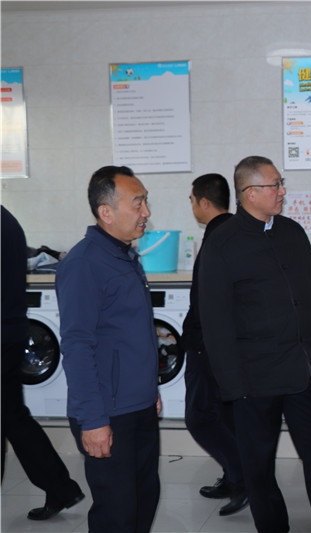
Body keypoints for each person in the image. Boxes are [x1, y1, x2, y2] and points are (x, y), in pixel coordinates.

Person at [198, 155, 311, 533]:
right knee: (259, 469)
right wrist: (232, 386)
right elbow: (215, 321)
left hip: (303, 371)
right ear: (250, 193)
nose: (282, 191)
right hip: (253, 381)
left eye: (281, 183)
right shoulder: (222, 243)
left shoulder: (291, 231)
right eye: (275, 185)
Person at [56, 166, 161, 533]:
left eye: (145, 202)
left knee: (144, 499)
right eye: (138, 203)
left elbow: (131, 335)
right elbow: (77, 345)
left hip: (138, 404)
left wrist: (150, 387)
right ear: (106, 212)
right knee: (117, 513)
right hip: (108, 412)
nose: (146, 212)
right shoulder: (84, 263)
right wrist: (93, 420)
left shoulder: (124, 255)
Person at [1, 205, 86, 521]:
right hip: (12, 332)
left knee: (11, 417)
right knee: (13, 417)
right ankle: (60, 488)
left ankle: (60, 487)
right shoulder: (9, 220)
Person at [181, 173, 248, 516]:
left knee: (199, 417)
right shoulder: (235, 232)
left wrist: (193, 340)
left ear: (204, 202)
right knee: (224, 416)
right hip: (226, 344)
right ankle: (234, 475)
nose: (192, 205)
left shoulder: (217, 237)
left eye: (192, 200)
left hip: (207, 344)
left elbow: (208, 300)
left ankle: (242, 477)